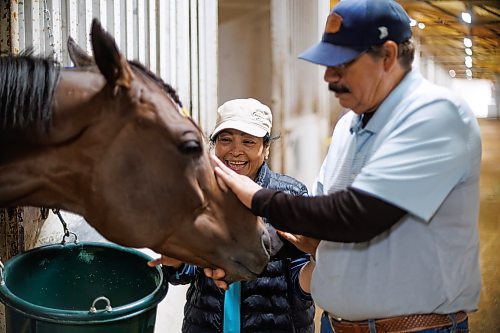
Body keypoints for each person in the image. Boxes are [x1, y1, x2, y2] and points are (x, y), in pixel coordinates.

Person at [209, 1, 482, 332]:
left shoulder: (436, 116)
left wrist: (257, 196)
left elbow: (356, 215)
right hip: (337, 325)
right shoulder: (347, 127)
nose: (328, 76)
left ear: (388, 56)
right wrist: (230, 257)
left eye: (341, 63)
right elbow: (319, 224)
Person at [151, 98, 315, 333]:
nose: (235, 151)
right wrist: (173, 259)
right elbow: (183, 273)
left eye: (248, 142)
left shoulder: (289, 196)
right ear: (214, 144)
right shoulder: (199, 193)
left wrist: (318, 256)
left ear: (266, 148)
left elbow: (301, 289)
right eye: (225, 140)